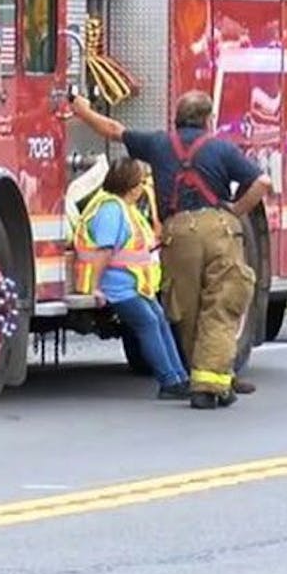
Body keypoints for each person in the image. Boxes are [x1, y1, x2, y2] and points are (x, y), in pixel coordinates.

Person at [69, 89, 271, 409]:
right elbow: (262, 183)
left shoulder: (159, 144)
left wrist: (82, 111)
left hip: (178, 236)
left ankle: (202, 377)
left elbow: (112, 130)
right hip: (218, 229)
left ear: (176, 119)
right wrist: (235, 210)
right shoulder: (221, 148)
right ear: (208, 120)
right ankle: (211, 382)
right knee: (220, 305)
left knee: (185, 309)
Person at [73, 157, 191, 399]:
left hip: (133, 286)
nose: (143, 187)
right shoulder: (110, 210)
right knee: (148, 322)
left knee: (159, 318)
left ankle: (179, 377)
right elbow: (105, 251)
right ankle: (169, 381)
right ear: (132, 186)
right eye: (141, 182)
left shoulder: (124, 208)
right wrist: (95, 288)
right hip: (116, 287)